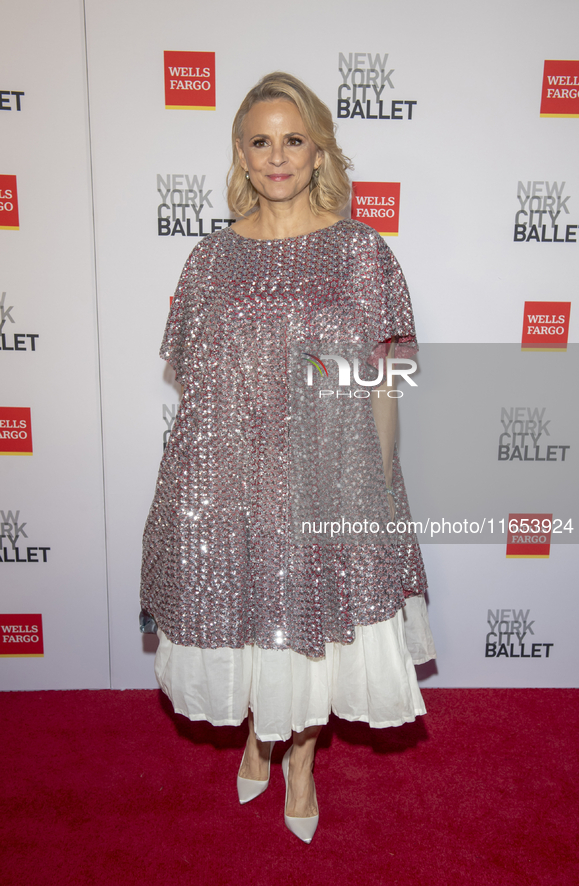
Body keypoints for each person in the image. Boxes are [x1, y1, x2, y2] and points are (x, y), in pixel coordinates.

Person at [141, 71, 435, 844]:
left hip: (328, 477)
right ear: (240, 153)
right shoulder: (209, 259)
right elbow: (195, 385)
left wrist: (378, 481)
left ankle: (298, 759)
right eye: (260, 141)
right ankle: (257, 734)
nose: (277, 156)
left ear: (318, 153)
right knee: (248, 621)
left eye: (293, 139)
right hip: (230, 478)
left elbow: (384, 379)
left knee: (311, 623)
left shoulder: (360, 253)